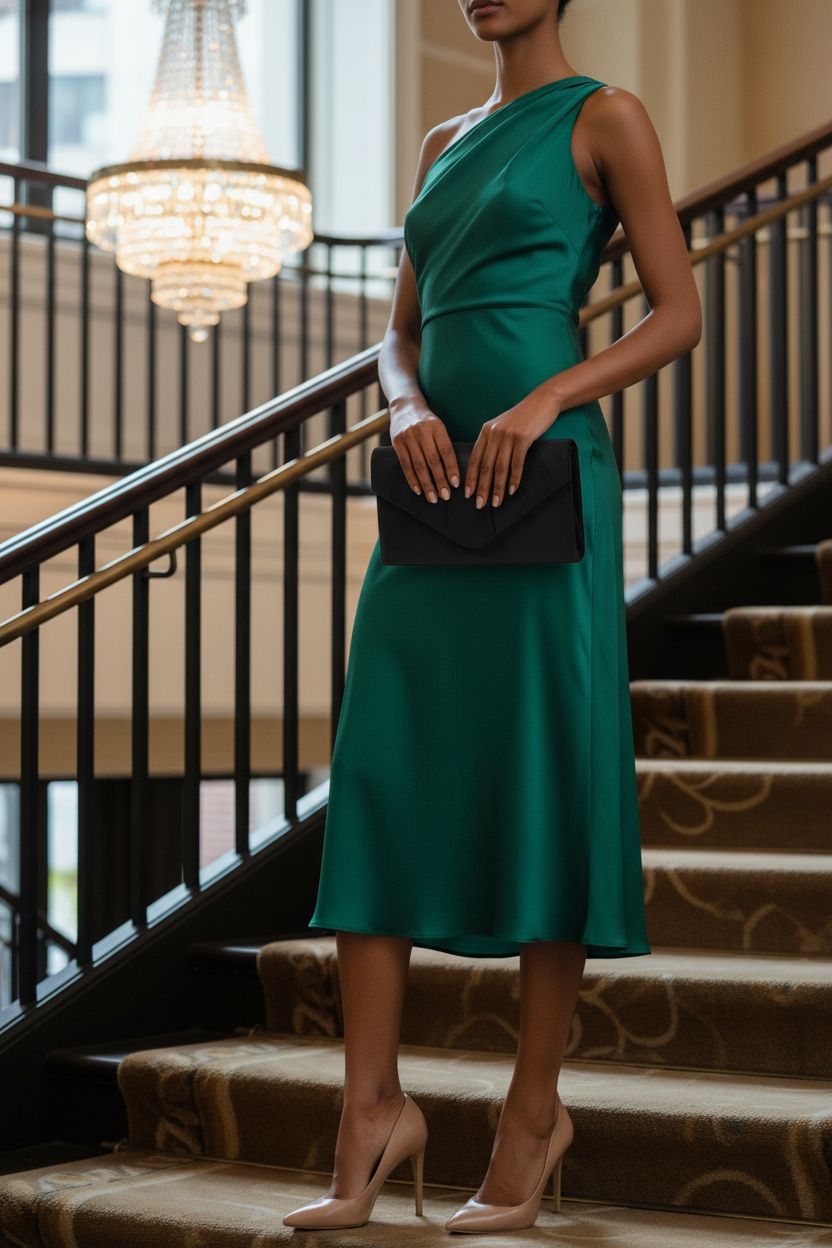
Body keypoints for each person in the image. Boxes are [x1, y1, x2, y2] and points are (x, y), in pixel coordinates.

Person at [283, 0, 701, 1233]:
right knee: (383, 771)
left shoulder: (607, 118)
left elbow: (677, 313)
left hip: (545, 478)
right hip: (428, 485)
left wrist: (545, 397)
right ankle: (372, 1113)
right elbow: (398, 335)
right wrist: (405, 408)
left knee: (542, 773)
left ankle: (531, 1115)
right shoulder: (438, 144)